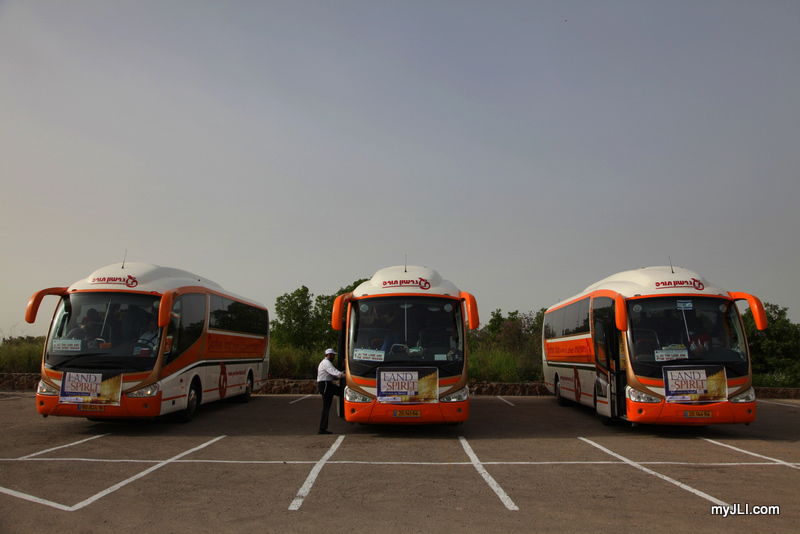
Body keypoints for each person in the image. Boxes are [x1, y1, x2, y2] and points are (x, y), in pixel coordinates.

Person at [317, 348, 344, 434]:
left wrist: (342, 373)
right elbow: (336, 374)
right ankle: (322, 429)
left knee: (343, 392)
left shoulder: (326, 362)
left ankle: (323, 428)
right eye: (333, 355)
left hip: (327, 384)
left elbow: (335, 373)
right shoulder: (326, 363)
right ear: (328, 355)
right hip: (325, 385)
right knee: (326, 407)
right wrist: (347, 375)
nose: (334, 357)